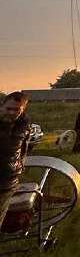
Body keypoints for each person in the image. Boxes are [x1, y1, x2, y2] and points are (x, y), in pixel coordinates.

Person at [0, 92, 32, 232]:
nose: (12, 113)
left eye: (17, 110)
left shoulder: (24, 127)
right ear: (1, 107)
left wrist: (18, 168)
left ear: (23, 110)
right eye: (9, 109)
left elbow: (22, 151)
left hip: (7, 182)